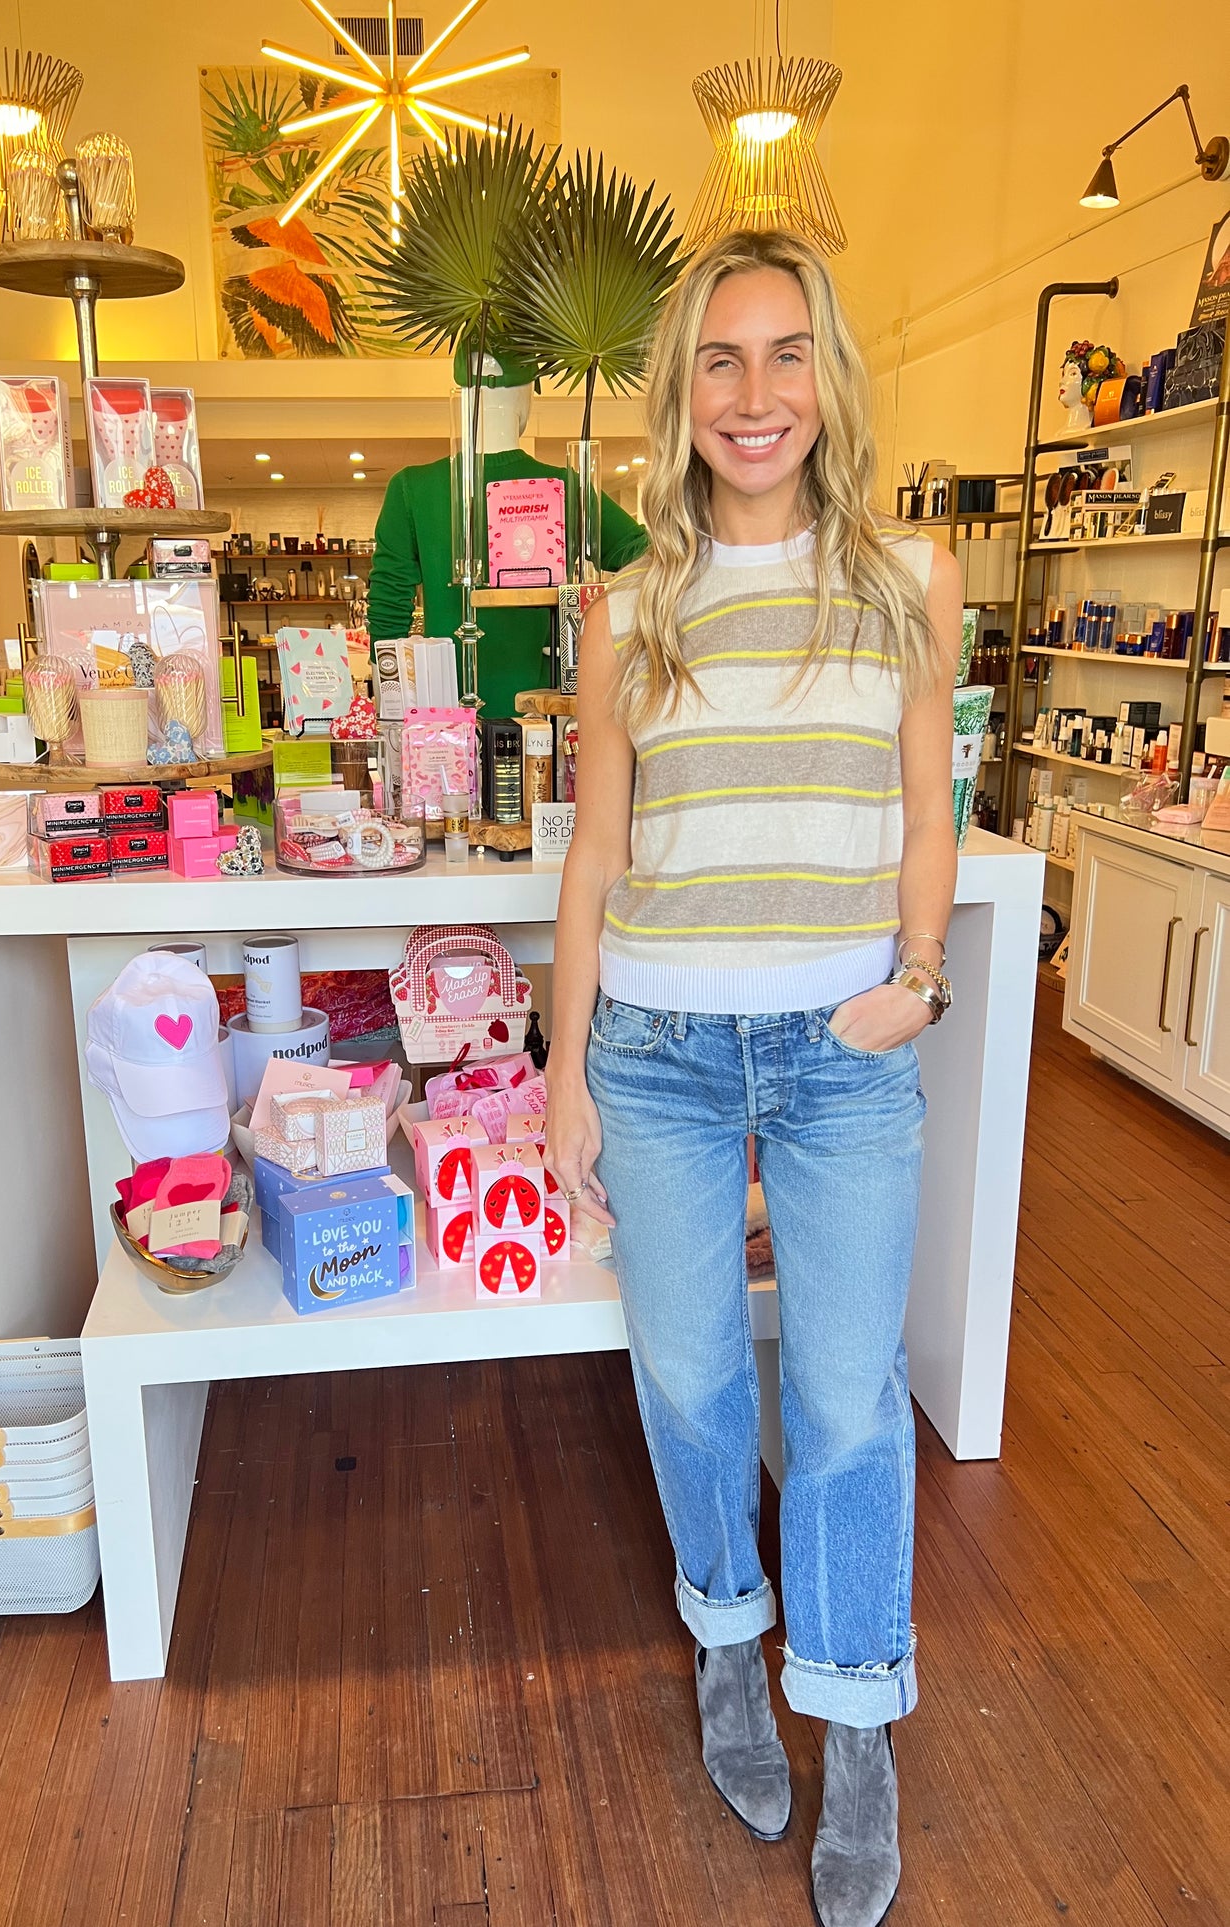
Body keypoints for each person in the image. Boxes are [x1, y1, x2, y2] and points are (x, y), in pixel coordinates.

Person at [546, 228, 959, 1927]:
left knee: (851, 1403)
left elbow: (928, 810)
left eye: (787, 354)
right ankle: (728, 1634)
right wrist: (569, 1070)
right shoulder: (626, 606)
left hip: (843, 1052)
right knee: (700, 1384)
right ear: (681, 395)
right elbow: (593, 855)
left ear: (830, 378)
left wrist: (916, 986)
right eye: (721, 361)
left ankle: (853, 1711)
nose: (756, 393)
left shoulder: (909, 586)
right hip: (654, 1054)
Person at [367, 341, 648, 718]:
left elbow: (389, 617)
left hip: (444, 725)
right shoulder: (565, 485)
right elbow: (651, 555)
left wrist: (392, 714)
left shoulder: (412, 488)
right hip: (546, 717)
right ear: (525, 395)